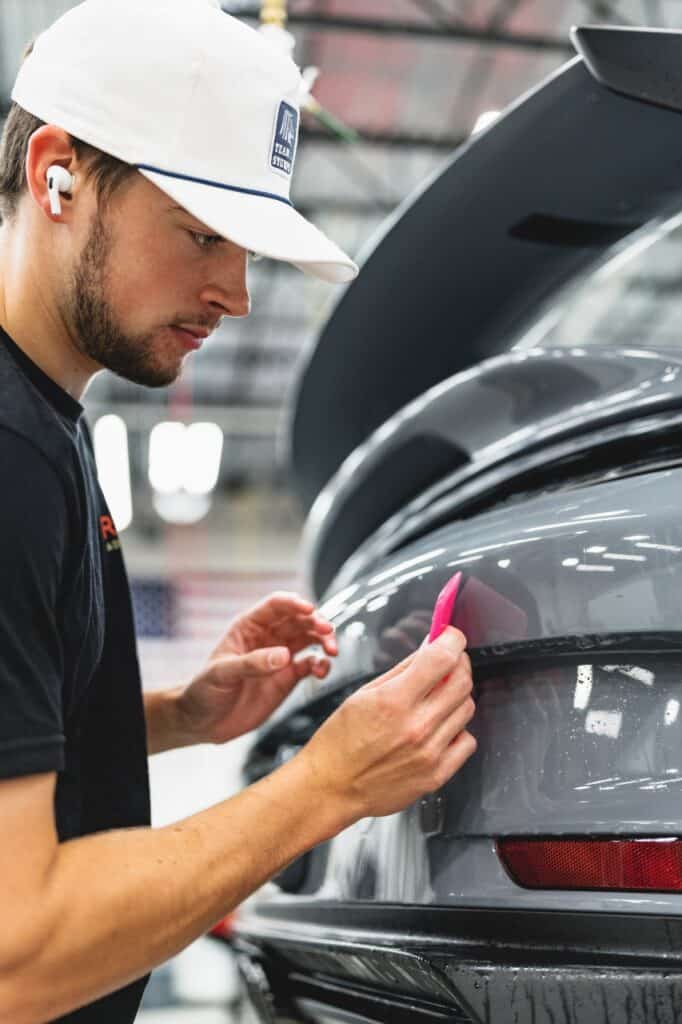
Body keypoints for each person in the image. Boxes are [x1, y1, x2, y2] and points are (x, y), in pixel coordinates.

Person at [0, 1, 477, 1021]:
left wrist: (178, 718)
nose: (236, 292)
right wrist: (325, 788)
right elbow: (16, 952)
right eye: (203, 233)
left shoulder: (47, 429)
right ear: (57, 175)